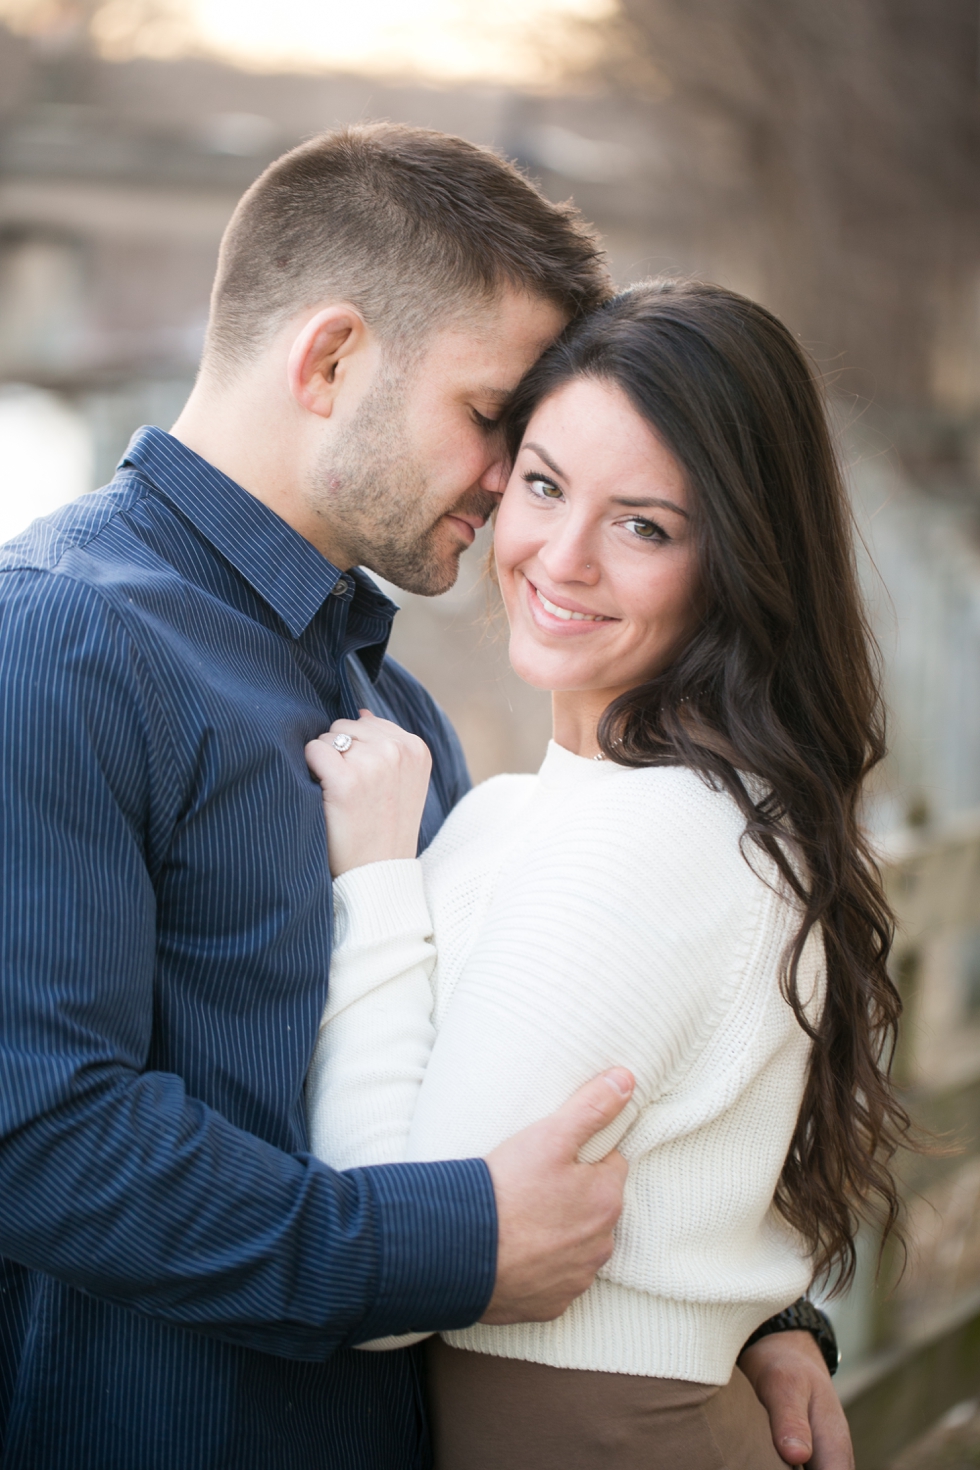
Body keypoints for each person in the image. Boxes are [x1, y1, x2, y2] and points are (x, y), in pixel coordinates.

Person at [0, 125, 847, 1470]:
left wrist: (748, 1316)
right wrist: (454, 1244)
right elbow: (40, 1135)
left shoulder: (387, 703)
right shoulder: (57, 641)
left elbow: (519, 1065)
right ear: (332, 360)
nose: (512, 483)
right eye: (492, 420)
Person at [305, 279, 911, 1466]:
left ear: (734, 561)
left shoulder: (654, 840)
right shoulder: (531, 814)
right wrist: (771, 1323)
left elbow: (400, 1263)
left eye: (642, 525)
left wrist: (372, 880)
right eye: (542, 485)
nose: (559, 558)